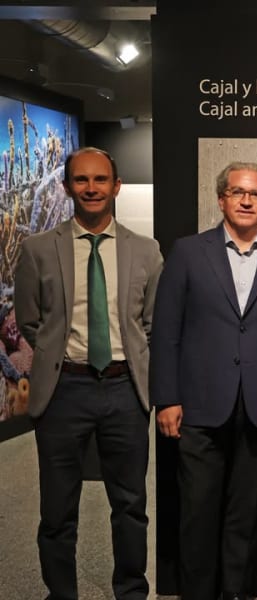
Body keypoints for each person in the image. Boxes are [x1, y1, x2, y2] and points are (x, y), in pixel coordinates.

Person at [150, 161, 257, 600]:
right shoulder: (186, 253)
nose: (245, 200)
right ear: (221, 199)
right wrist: (166, 398)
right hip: (198, 407)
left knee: (246, 517)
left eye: (254, 194)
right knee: (197, 516)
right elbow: (166, 333)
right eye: (236, 192)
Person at [14, 146, 163, 600]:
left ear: (116, 186)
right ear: (66, 187)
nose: (92, 188)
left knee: (131, 505)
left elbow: (152, 322)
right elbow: (29, 321)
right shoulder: (38, 249)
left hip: (125, 389)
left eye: (101, 180)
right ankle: (62, 593)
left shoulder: (145, 250)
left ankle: (131, 591)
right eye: (82, 180)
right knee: (58, 509)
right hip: (64, 390)